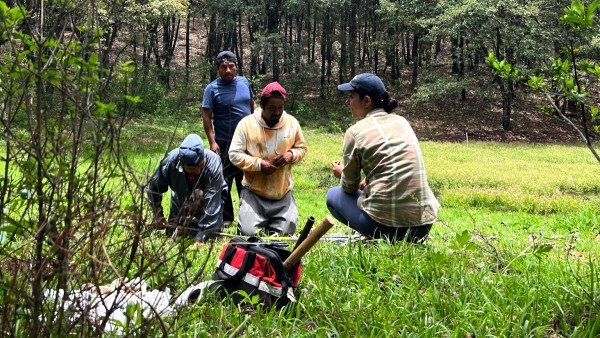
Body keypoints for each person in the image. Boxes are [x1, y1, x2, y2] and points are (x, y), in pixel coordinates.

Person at [326, 73, 440, 242]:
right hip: (423, 225)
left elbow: (349, 187)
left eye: (351, 97)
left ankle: (375, 234)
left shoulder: (355, 132)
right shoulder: (402, 122)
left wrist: (341, 172)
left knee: (333, 195)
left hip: (386, 228)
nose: (347, 102)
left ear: (366, 101)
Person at [229, 82, 307, 236]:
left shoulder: (291, 123)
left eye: (280, 107)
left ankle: (274, 221)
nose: (277, 112)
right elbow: (234, 154)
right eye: (272, 108)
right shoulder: (247, 124)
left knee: (286, 232)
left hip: (282, 192)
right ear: (262, 105)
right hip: (254, 192)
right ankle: (256, 219)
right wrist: (259, 164)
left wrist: (290, 155)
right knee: (248, 233)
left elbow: (302, 148)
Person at [202, 50, 255, 228]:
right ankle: (226, 218)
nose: (228, 70)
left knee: (246, 179)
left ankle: (247, 216)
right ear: (218, 69)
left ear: (237, 67)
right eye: (223, 67)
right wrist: (212, 141)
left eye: (231, 67)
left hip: (247, 141)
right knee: (223, 180)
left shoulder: (244, 83)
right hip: (223, 142)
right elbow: (207, 117)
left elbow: (251, 105)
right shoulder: (211, 89)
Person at [147, 134, 227, 245]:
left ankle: (203, 225)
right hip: (181, 196)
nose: (196, 172)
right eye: (190, 170)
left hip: (209, 200)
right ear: (181, 162)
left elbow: (213, 203)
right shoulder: (170, 162)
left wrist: (202, 237)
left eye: (200, 167)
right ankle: (189, 222)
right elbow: (153, 187)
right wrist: (158, 215)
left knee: (211, 236)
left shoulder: (214, 164)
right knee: (172, 233)